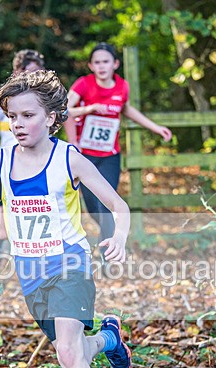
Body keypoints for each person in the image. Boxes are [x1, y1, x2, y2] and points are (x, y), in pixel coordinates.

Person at [0, 69, 133, 368]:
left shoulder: (69, 158)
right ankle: (109, 339)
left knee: (67, 351)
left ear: (51, 118)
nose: (18, 124)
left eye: (28, 115)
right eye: (12, 116)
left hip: (70, 263)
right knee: (74, 350)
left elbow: (118, 206)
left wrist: (119, 237)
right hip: (30, 271)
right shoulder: (2, 160)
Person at [64, 42, 172, 246]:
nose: (101, 66)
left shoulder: (122, 86)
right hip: (85, 156)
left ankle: (108, 254)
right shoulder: (84, 84)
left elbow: (127, 109)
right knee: (93, 209)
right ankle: (110, 239)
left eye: (105, 61)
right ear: (91, 66)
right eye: (97, 62)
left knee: (106, 204)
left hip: (109, 156)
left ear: (115, 64)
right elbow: (64, 110)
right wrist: (89, 109)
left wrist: (155, 127)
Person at [0, 49, 46, 254]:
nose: (31, 77)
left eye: (36, 72)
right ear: (16, 73)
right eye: (27, 72)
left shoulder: (45, 99)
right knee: (3, 227)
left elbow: (64, 115)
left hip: (36, 164)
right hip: (9, 165)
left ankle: (30, 257)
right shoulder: (6, 99)